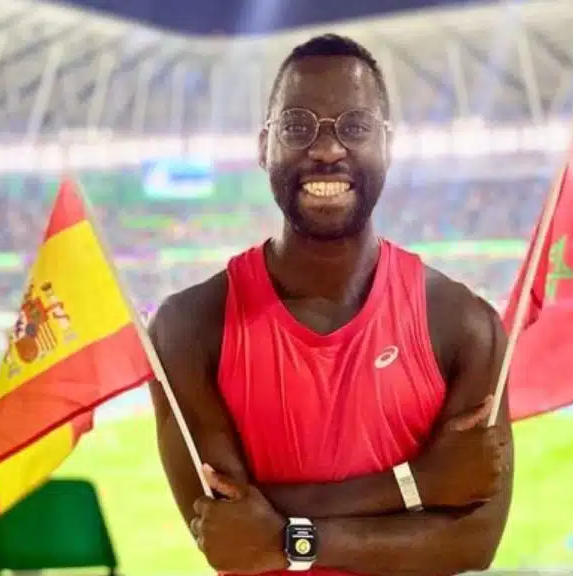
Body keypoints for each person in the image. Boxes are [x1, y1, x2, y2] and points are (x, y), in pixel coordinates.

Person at [147, 34, 513, 576]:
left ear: (387, 144)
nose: (326, 149)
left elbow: (475, 542)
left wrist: (286, 535)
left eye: (355, 127)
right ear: (262, 145)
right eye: (297, 126)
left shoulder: (465, 326)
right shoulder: (189, 328)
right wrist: (420, 484)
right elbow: (226, 534)